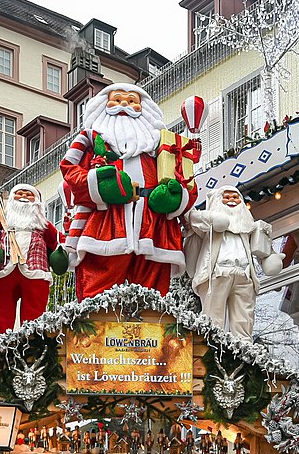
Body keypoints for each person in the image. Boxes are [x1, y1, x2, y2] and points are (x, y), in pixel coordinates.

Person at [60, 84, 197, 299]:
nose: (124, 104)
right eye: (117, 100)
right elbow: (69, 168)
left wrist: (176, 198)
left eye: (132, 101)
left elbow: (187, 181)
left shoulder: (162, 143)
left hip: (153, 227)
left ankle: (151, 326)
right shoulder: (89, 137)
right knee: (98, 285)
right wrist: (100, 185)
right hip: (106, 224)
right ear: (103, 105)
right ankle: (95, 326)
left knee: (152, 293)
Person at [183, 186, 283, 336]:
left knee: (244, 321)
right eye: (227, 197)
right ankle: (211, 351)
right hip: (217, 273)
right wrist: (213, 218)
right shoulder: (207, 224)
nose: (231, 201)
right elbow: (190, 218)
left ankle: (245, 353)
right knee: (213, 319)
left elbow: (262, 248)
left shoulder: (249, 226)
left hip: (244, 275)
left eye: (235, 197)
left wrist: (271, 257)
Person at [0, 184, 68, 334]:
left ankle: (32, 342)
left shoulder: (42, 224)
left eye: (29, 195)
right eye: (19, 193)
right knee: (0, 311)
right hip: (3, 269)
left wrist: (61, 253)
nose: (24, 197)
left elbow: (58, 240)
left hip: (36, 271)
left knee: (34, 313)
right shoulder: (3, 218)